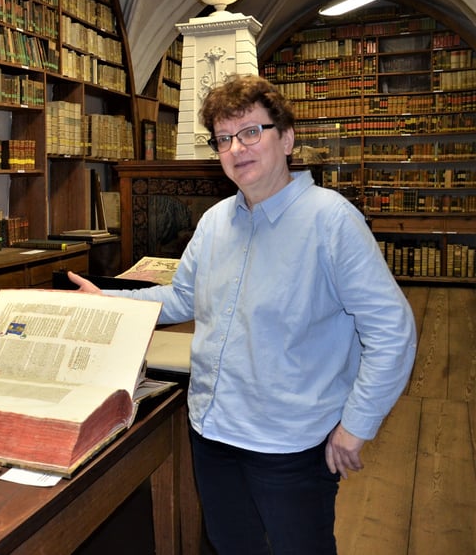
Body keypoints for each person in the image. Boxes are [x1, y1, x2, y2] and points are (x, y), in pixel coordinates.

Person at [68, 74, 417, 555]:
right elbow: (182, 299)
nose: (237, 148)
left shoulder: (331, 221)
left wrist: (357, 426)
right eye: (225, 138)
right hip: (212, 431)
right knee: (230, 545)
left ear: (287, 138)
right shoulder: (215, 223)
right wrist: (108, 304)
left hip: (289, 444)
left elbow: (392, 332)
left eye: (251, 132)